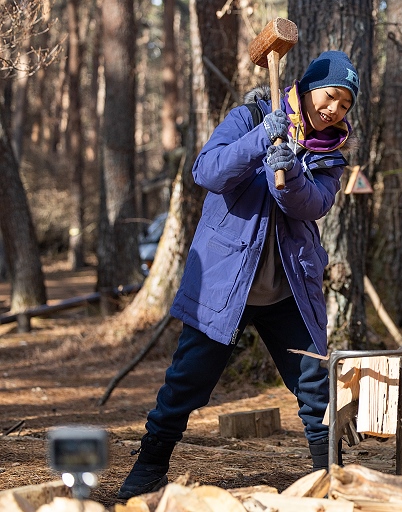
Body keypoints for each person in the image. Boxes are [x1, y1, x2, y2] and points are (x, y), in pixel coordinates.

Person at [117, 50, 360, 499]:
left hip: (287, 289)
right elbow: (207, 171)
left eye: (346, 105)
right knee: (186, 380)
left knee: (315, 387)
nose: (335, 111)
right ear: (307, 88)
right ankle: (150, 466)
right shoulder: (251, 115)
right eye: (331, 97)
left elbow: (313, 205)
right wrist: (259, 141)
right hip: (226, 282)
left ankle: (333, 481)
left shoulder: (330, 156)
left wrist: (286, 170)